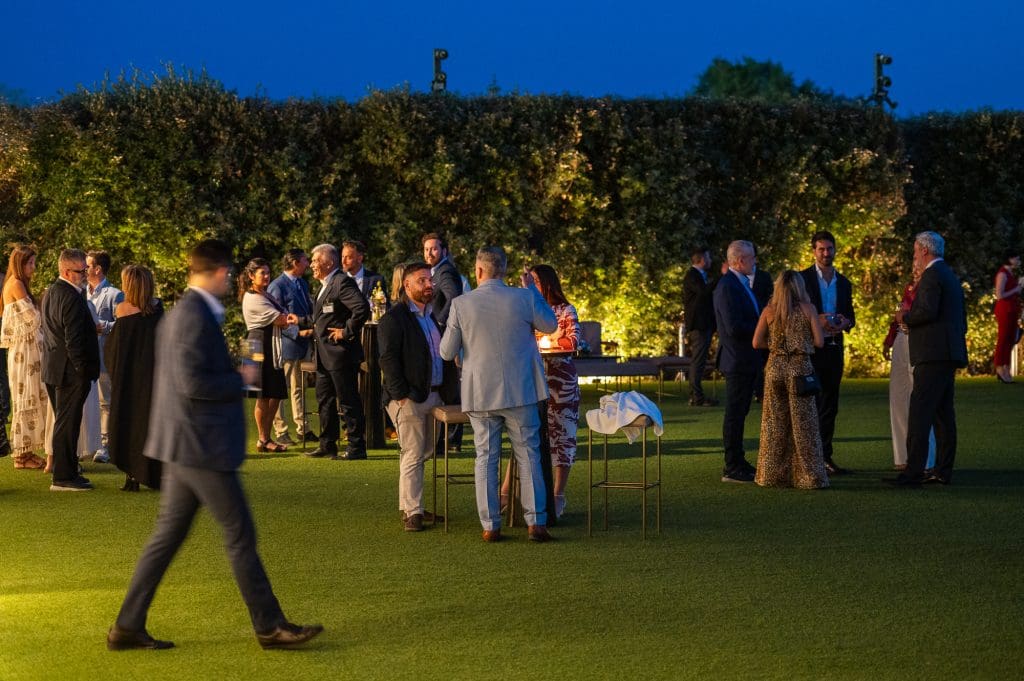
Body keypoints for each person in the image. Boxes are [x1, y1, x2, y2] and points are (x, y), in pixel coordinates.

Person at [107, 239, 323, 651]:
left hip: (184, 444)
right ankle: (269, 626)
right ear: (220, 271)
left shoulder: (186, 312)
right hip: (200, 445)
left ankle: (127, 626)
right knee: (239, 535)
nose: (230, 280)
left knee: (166, 539)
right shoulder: (193, 315)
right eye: (229, 272)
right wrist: (239, 379)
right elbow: (193, 383)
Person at [439, 246, 558, 543]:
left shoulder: (461, 304)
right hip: (521, 391)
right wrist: (533, 290)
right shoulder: (524, 297)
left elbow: (446, 352)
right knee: (528, 455)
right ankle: (536, 522)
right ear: (504, 270)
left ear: (479, 270)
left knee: (485, 458)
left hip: (480, 392)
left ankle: (490, 525)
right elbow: (551, 325)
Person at [378, 262, 459, 531]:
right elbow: (388, 359)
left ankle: (412, 506)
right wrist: (401, 395)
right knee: (413, 452)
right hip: (409, 398)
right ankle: (413, 513)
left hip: (434, 395)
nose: (428, 285)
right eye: (421, 280)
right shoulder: (394, 318)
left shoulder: (432, 316)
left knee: (422, 452)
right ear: (407, 285)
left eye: (429, 280)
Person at [499, 264, 580, 519]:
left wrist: (546, 342)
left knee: (562, 436)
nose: (528, 285)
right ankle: (506, 490)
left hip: (561, 382)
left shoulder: (565, 310)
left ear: (546, 282)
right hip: (531, 380)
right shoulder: (526, 310)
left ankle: (558, 494)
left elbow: (573, 340)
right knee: (524, 433)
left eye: (533, 280)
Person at [890, 231, 968, 487]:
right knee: (943, 415)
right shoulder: (949, 275)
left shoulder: (932, 276)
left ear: (924, 250)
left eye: (915, 250)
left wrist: (904, 317)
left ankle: (913, 472)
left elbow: (926, 311)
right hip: (947, 353)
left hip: (932, 353)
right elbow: (961, 318)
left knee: (920, 413)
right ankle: (942, 470)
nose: (914, 255)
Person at [752, 270, 828, 489]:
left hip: (775, 368)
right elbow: (819, 342)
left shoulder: (769, 311)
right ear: (799, 287)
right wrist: (802, 343)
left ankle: (770, 475)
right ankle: (809, 476)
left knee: (774, 423)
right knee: (804, 425)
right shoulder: (808, 309)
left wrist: (776, 347)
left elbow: (756, 342)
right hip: (799, 369)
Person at [41, 248, 100, 491]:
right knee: (68, 424)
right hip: (69, 371)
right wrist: (82, 370)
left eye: (86, 269)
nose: (86, 275)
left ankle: (67, 471)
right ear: (66, 271)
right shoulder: (70, 296)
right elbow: (73, 339)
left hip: (55, 367)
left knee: (65, 423)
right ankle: (63, 476)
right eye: (81, 271)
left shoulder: (52, 291)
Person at [305, 243, 370, 460]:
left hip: (341, 354)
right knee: (324, 400)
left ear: (329, 263)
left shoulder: (341, 282)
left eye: (315, 261)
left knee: (348, 401)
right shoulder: (324, 285)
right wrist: (302, 321)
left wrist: (346, 332)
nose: (311, 265)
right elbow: (322, 317)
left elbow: (361, 308)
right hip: (323, 355)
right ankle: (327, 444)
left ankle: (356, 447)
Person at [799, 231, 855, 476]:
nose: (825, 253)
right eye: (821, 249)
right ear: (813, 251)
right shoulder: (802, 279)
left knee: (830, 403)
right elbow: (793, 313)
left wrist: (845, 322)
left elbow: (851, 315)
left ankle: (825, 456)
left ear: (835, 250)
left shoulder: (843, 282)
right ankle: (807, 457)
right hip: (811, 349)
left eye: (829, 248)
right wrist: (816, 320)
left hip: (834, 348)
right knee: (809, 402)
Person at [106, 264, 164, 491]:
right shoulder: (158, 309)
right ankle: (155, 472)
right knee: (151, 422)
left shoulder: (123, 310)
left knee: (129, 422)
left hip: (129, 377)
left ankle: (132, 475)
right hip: (154, 375)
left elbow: (116, 349)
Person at [0, 245, 54, 470]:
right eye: (30, 263)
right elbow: (34, 318)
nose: (33, 267)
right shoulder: (16, 284)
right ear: (20, 264)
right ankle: (22, 456)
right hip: (24, 353)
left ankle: (26, 453)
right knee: (25, 397)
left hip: (28, 350)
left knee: (31, 395)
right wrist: (46, 301)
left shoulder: (18, 283)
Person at [713, 240, 761, 483]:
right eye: (752, 258)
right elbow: (733, 327)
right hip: (737, 359)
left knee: (740, 412)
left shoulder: (738, 284)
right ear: (741, 261)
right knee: (734, 413)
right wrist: (763, 328)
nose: (755, 262)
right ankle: (732, 465)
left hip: (744, 359)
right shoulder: (728, 286)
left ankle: (738, 461)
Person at [239, 258, 297, 453]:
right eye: (262, 273)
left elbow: (283, 317)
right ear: (251, 276)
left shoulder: (265, 294)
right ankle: (263, 439)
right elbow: (282, 319)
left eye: (268, 272)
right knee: (262, 395)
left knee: (275, 393)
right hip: (257, 344)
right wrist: (290, 320)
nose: (266, 276)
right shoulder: (253, 297)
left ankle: (266, 438)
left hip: (267, 344)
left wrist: (288, 319)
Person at [883, 266, 937, 472]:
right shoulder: (909, 288)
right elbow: (898, 316)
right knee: (898, 399)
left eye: (918, 262)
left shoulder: (930, 287)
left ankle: (926, 459)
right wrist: (889, 340)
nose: (915, 267)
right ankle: (902, 457)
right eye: (913, 263)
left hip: (919, 342)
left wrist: (906, 317)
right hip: (901, 340)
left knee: (921, 399)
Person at [267, 248, 317, 445]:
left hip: (303, 345)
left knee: (299, 388)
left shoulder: (302, 283)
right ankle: (281, 431)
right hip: (287, 345)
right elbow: (276, 318)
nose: (308, 264)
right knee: (281, 390)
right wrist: (297, 333)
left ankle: (303, 428)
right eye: (305, 260)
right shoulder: (277, 286)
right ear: (295, 263)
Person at [85, 250, 124, 462]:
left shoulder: (115, 294)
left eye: (87, 265)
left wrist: (104, 326)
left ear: (97, 269)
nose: (84, 269)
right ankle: (88, 444)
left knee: (105, 402)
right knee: (86, 403)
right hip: (84, 358)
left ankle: (105, 446)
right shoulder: (80, 293)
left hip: (104, 357)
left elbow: (124, 324)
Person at [682, 247, 718, 407]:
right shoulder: (692, 276)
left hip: (703, 324)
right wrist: (721, 276)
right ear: (702, 260)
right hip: (699, 325)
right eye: (708, 258)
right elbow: (703, 292)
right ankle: (696, 396)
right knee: (698, 360)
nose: (711, 261)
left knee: (700, 360)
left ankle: (697, 395)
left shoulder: (698, 276)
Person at [992, 249, 1021, 383]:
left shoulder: (1010, 273)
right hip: (1005, 310)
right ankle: (999, 367)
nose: (1018, 261)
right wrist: (1016, 289)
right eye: (1017, 258)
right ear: (1010, 259)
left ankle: (1006, 367)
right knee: (1003, 338)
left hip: (1013, 309)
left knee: (1010, 339)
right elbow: (1000, 295)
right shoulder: (1002, 274)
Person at [422, 232, 462, 328]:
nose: (429, 254)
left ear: (444, 251)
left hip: (443, 331)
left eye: (434, 249)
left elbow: (454, 297)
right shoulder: (435, 270)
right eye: (426, 249)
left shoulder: (445, 271)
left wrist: (440, 322)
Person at [342, 239, 388, 304]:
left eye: (348, 257)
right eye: (342, 256)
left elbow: (384, 306)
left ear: (359, 258)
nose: (343, 261)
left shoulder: (376, 280)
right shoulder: (336, 280)